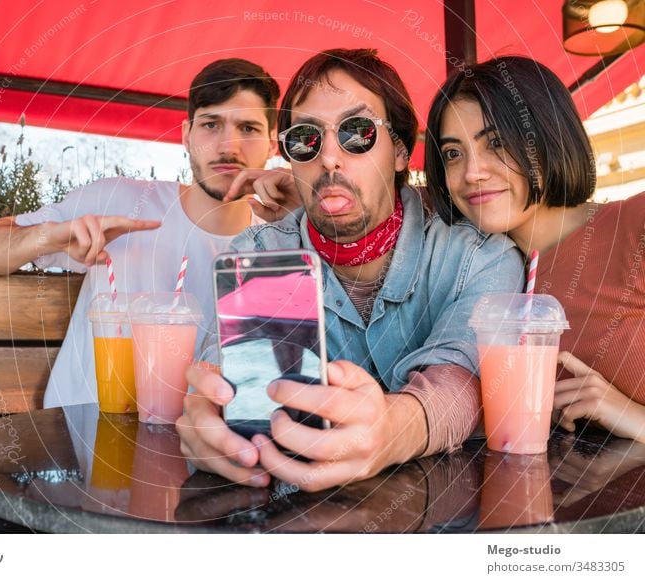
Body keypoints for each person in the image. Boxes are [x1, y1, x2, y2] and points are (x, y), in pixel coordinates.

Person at [177, 48, 525, 492]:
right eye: (306, 138)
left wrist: (397, 427)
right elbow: (224, 384)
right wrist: (210, 420)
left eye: (357, 132)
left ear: (400, 151)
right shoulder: (257, 256)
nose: (329, 159)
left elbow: (460, 378)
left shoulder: (477, 260)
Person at [0, 58, 282, 407]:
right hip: (79, 441)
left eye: (248, 129)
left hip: (198, 449)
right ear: (186, 136)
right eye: (211, 124)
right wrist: (49, 237)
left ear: (272, 144)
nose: (228, 147)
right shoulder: (116, 200)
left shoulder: (279, 250)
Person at [425, 55, 645, 443]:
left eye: (496, 143)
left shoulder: (634, 228)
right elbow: (376, 202)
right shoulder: (472, 264)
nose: (472, 172)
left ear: (547, 134)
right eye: (453, 154)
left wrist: (635, 417)